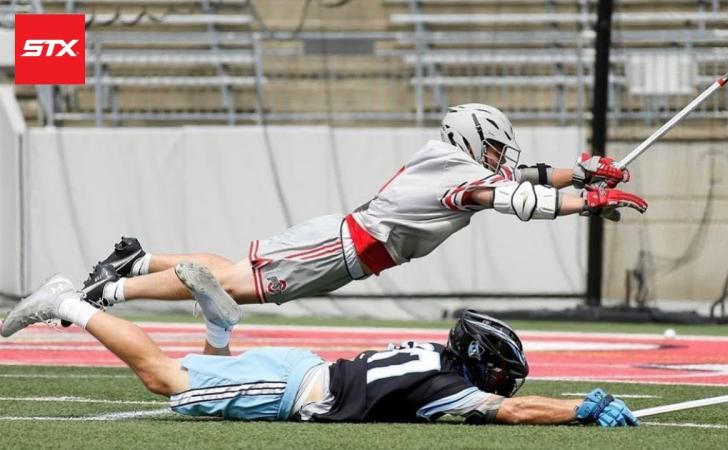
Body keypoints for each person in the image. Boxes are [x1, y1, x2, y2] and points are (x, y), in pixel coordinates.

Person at [66, 103, 648, 348]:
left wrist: (584, 174)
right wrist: (586, 204)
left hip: (340, 240)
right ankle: (109, 290)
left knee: (229, 272)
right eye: (495, 148)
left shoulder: (456, 161)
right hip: (339, 249)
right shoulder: (463, 173)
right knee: (226, 288)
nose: (503, 157)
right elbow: (515, 199)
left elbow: (527, 176)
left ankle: (135, 260)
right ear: (473, 143)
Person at [1, 263, 638, 427]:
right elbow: (513, 412)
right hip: (294, 386)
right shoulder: (447, 384)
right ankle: (66, 302)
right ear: (474, 360)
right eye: (496, 369)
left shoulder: (436, 356)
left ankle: (218, 326)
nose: (502, 382)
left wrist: (579, 401)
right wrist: (581, 406)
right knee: (166, 380)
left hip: (306, 371)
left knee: (202, 378)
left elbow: (504, 401)